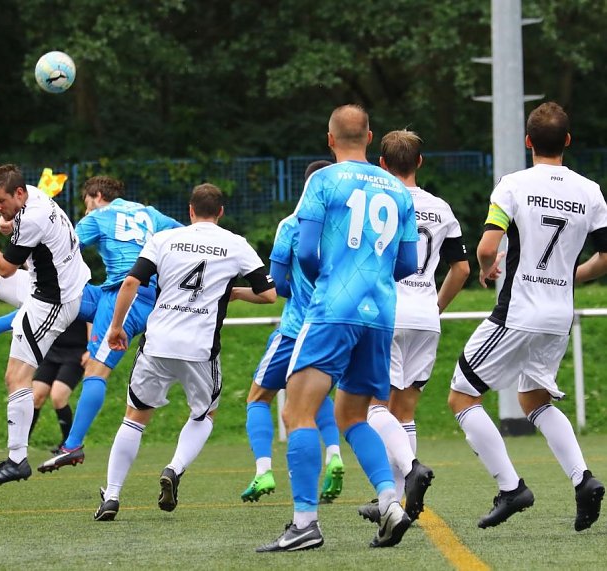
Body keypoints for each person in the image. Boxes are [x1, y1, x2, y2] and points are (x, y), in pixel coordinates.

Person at [257, 104, 425, 553]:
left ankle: (305, 522)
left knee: (298, 413)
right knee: (353, 415)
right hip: (380, 316)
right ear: (370, 137)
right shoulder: (398, 188)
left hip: (333, 309)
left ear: (330, 140)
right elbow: (408, 263)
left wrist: (332, 275)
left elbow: (306, 251)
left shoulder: (323, 180)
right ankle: (390, 502)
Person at [448, 102, 607, 531]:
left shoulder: (514, 184)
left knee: (462, 395)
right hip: (559, 315)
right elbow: (605, 257)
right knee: (533, 399)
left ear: (527, 141)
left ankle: (511, 486)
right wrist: (571, 276)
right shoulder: (590, 191)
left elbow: (487, 246)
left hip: (519, 311)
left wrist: (486, 269)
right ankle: (583, 479)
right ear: (568, 142)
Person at [93, 183, 276, 522]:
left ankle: (113, 495)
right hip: (200, 348)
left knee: (135, 416)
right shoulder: (236, 245)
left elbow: (131, 283)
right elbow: (268, 294)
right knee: (204, 415)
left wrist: (116, 327)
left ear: (190, 211)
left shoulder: (164, 239)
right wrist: (233, 293)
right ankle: (174, 469)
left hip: (158, 341)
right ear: (220, 212)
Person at [357, 130, 470, 523]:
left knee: (372, 406)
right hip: (425, 315)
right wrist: (435, 305)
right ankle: (398, 501)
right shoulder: (441, 208)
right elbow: (461, 268)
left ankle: (408, 473)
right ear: (419, 162)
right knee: (404, 411)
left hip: (386, 314)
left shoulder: (377, 202)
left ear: (382, 164)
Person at [36, 175, 183, 473]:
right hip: (114, 292)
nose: (85, 209)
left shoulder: (99, 216)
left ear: (97, 195)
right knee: (53, 300)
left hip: (127, 297)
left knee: (96, 369)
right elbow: (185, 237)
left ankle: (73, 445)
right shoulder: (150, 213)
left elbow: (64, 246)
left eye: (86, 203)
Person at [0, 164, 90, 485]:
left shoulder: (31, 217)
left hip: (53, 301)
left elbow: (7, 268)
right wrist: (8, 222)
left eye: (0, 201)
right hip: (51, 292)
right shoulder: (34, 195)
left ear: (18, 192)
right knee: (16, 378)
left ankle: (18, 460)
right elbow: (18, 231)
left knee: (18, 377)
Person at [241, 159, 345, 505]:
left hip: (296, 328)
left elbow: (279, 286)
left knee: (258, 397)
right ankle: (334, 455)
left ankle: (263, 470)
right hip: (338, 327)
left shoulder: (291, 224)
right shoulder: (345, 224)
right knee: (319, 398)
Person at [28, 318, 90, 453]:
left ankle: (69, 445)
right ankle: (21, 443)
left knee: (58, 396)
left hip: (77, 353)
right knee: (35, 396)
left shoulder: (83, 297)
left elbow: (90, 319)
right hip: (52, 350)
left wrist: (91, 348)